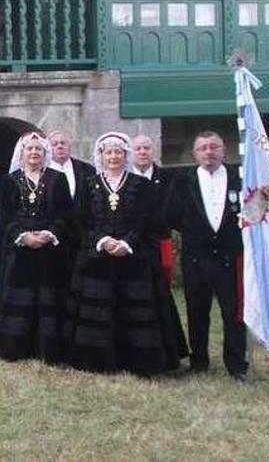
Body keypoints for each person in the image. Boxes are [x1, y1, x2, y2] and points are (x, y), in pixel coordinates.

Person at [64, 132, 184, 376]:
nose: (113, 157)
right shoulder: (90, 184)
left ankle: (139, 361)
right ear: (101, 156)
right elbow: (81, 220)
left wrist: (127, 242)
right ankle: (98, 360)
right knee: (99, 309)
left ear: (125, 155)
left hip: (134, 257)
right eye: (108, 152)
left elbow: (147, 219)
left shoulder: (141, 185)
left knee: (135, 311)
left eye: (118, 152)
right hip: (98, 258)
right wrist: (103, 240)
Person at [168, 132, 248, 381]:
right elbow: (172, 215)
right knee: (196, 312)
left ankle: (236, 365)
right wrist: (195, 232)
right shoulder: (182, 181)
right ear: (195, 153)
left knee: (234, 313)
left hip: (229, 257)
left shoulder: (241, 178)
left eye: (214, 147)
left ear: (224, 150)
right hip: (196, 258)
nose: (208, 152)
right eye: (202, 148)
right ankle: (199, 362)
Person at [0, 132, 73, 364]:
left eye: (38, 149)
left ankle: (48, 350)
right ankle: (15, 348)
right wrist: (23, 236)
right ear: (22, 153)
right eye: (30, 149)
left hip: (49, 250)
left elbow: (66, 213)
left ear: (45, 153)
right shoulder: (8, 181)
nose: (34, 153)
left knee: (49, 299)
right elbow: (3, 216)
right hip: (19, 251)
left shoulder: (58, 178)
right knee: (19, 299)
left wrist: (48, 234)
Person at [132, 134, 176, 287]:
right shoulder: (124, 178)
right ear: (131, 153)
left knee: (162, 285)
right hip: (133, 240)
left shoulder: (168, 178)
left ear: (154, 151)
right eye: (138, 149)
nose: (142, 152)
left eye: (147, 148)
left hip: (160, 239)